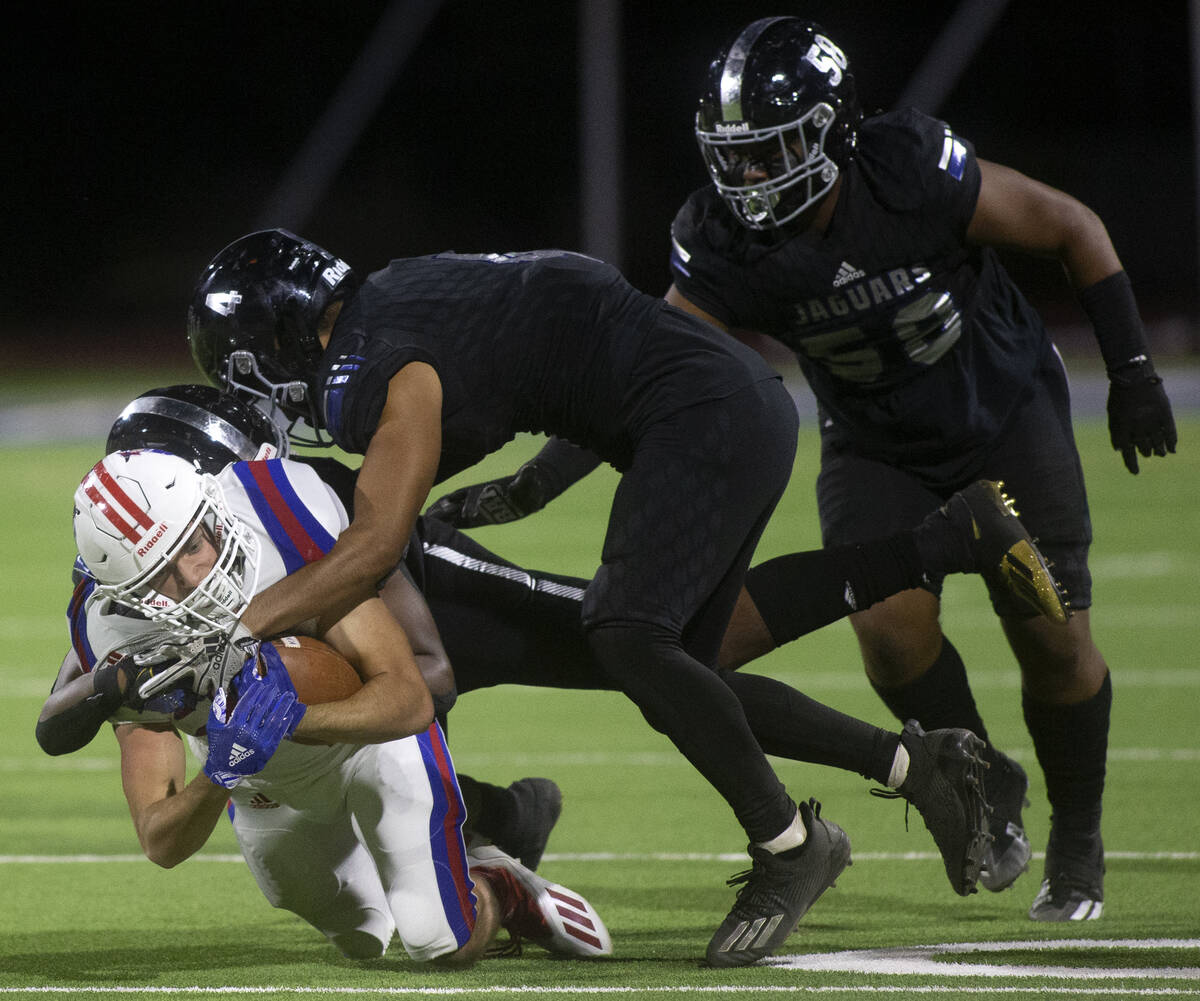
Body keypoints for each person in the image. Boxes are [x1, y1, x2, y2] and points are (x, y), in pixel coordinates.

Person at [184, 231, 1006, 966]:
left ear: (279, 339)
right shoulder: (398, 291)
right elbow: (569, 316)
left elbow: (373, 544)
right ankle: (918, 761)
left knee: (626, 635)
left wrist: (240, 620)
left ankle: (790, 845)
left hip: (700, 413)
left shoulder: (371, 363)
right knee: (688, 668)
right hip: (717, 402)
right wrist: (540, 480)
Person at [44, 384, 1062, 906]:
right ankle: (506, 813)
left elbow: (424, 678)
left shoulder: (310, 513)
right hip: (364, 670)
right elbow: (71, 702)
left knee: (669, 650)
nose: (170, 554)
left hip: (433, 612)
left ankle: (931, 609)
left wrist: (289, 716)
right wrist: (113, 692)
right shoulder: (145, 578)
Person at [657, 17, 1178, 922]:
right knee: (889, 632)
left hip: (1000, 413)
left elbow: (1071, 225)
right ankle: (980, 787)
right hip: (873, 440)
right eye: (732, 156)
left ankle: (1081, 837)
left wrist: (1131, 368)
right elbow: (658, 361)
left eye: (769, 151)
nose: (746, 178)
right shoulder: (723, 237)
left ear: (829, 131)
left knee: (1052, 637)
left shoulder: (904, 168)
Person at [47, 446, 612, 965]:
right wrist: (221, 771)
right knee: (363, 932)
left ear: (214, 512)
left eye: (194, 545)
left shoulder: (279, 519)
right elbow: (160, 839)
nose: (195, 579)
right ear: (124, 595)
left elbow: (410, 698)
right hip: (260, 785)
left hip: (368, 742)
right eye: (162, 579)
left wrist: (296, 720)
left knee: (438, 939)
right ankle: (441, 859)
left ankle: (503, 887)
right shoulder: (113, 637)